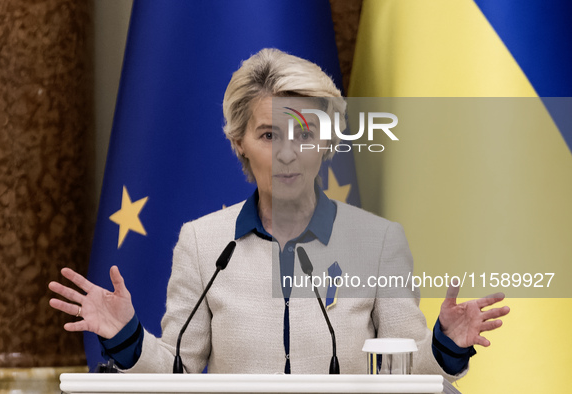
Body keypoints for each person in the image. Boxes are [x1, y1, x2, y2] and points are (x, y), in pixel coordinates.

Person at [49, 48, 509, 379]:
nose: (288, 154)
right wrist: (127, 335)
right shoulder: (202, 243)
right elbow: (177, 370)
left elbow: (406, 371)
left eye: (303, 134)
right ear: (240, 146)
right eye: (269, 135)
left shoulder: (378, 242)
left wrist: (447, 342)